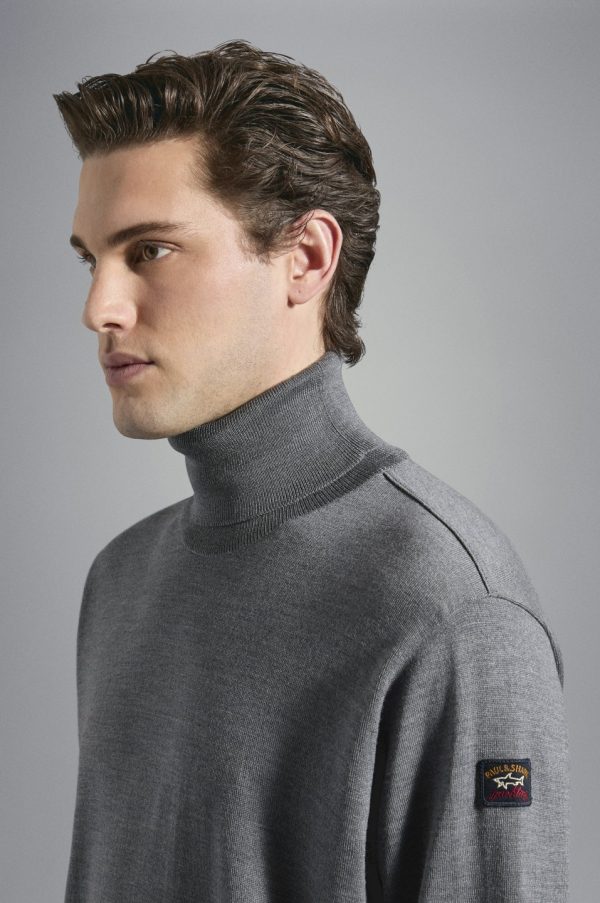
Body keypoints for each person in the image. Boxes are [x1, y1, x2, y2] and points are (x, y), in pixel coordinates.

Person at [53, 39, 569, 902]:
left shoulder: (453, 608)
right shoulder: (121, 581)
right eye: (90, 258)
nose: (98, 307)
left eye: (150, 251)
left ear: (306, 258)